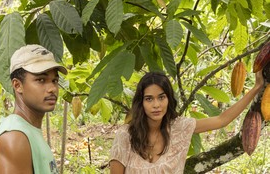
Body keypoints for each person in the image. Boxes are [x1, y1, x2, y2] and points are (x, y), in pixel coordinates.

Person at [109, 70, 264, 173]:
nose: (156, 105)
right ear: (141, 102)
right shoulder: (125, 136)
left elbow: (221, 120)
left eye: (161, 97)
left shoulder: (179, 127)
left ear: (169, 99)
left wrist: (257, 88)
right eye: (149, 99)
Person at [0, 44, 67, 174]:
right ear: (18, 85)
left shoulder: (28, 131)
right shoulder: (14, 138)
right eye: (41, 80)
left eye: (54, 80)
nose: (52, 89)